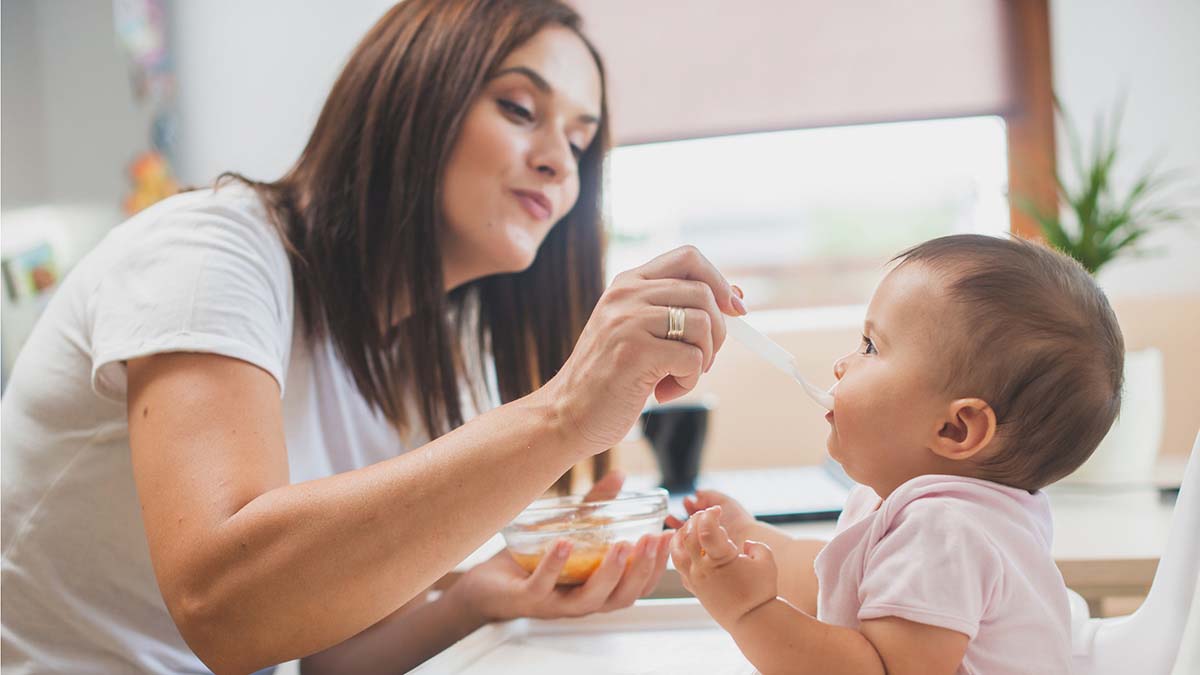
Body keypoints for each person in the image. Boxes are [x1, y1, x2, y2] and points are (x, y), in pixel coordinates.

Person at [0, 1, 749, 672]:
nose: (559, 160)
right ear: (414, 98)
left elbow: (324, 656)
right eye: (521, 108)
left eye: (581, 142)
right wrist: (561, 414)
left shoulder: (432, 359)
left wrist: (482, 599)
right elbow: (225, 609)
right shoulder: (211, 253)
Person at [668, 234, 1124, 674]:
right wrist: (748, 535)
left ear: (955, 428)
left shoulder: (945, 530)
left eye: (871, 347)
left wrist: (747, 611)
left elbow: (875, 670)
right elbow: (828, 581)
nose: (841, 365)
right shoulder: (922, 510)